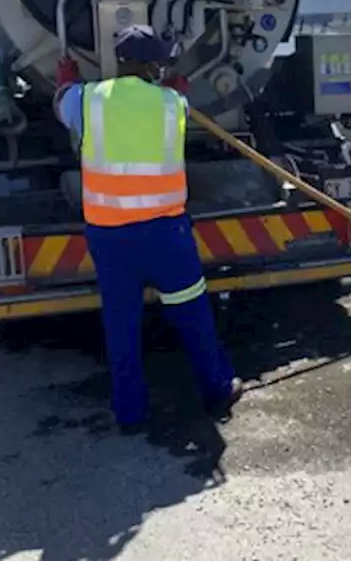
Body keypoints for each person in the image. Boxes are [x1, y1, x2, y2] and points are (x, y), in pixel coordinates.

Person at [54, 25, 242, 429]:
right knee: (192, 314)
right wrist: (175, 86)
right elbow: (177, 102)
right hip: (164, 234)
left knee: (121, 324)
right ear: (153, 64)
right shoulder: (172, 103)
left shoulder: (87, 101)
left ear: (120, 60)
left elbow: (62, 103)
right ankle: (217, 389)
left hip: (110, 235)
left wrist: (66, 78)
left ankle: (130, 412)